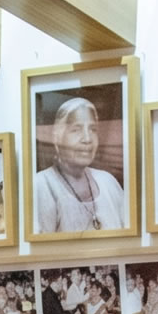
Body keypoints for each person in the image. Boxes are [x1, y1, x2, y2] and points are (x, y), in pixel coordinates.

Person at [33, 96, 127, 234]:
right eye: (76, 130)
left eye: (93, 129)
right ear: (57, 136)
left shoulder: (108, 182)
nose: (87, 139)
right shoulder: (42, 185)